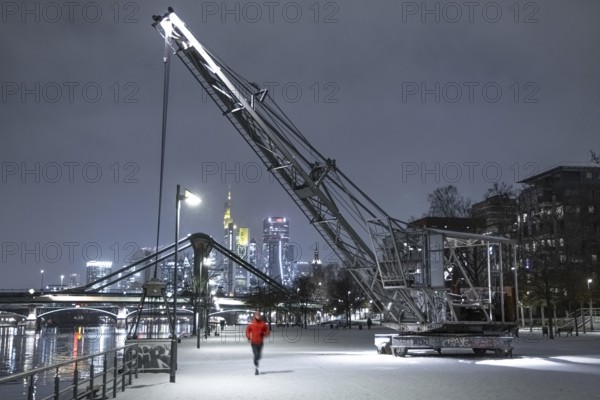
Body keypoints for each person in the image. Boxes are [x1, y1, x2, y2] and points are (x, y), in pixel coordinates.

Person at [245, 311, 270, 375]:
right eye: (256, 315)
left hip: (260, 342)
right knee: (256, 355)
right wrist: (248, 337)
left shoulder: (263, 324)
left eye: (258, 315)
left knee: (259, 356)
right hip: (254, 342)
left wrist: (264, 333)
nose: (258, 316)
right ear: (254, 316)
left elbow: (267, 331)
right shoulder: (252, 324)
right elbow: (247, 330)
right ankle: (256, 366)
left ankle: (256, 362)